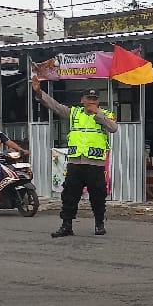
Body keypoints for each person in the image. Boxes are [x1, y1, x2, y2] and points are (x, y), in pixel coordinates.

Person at [30, 77, 118, 237]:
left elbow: (113, 128)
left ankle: (99, 224)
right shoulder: (74, 112)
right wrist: (39, 92)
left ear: (98, 101)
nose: (91, 101)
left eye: (94, 98)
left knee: (98, 196)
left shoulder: (105, 114)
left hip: (95, 164)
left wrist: (97, 112)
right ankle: (66, 225)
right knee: (69, 195)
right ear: (82, 99)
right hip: (75, 162)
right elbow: (54, 106)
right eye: (88, 98)